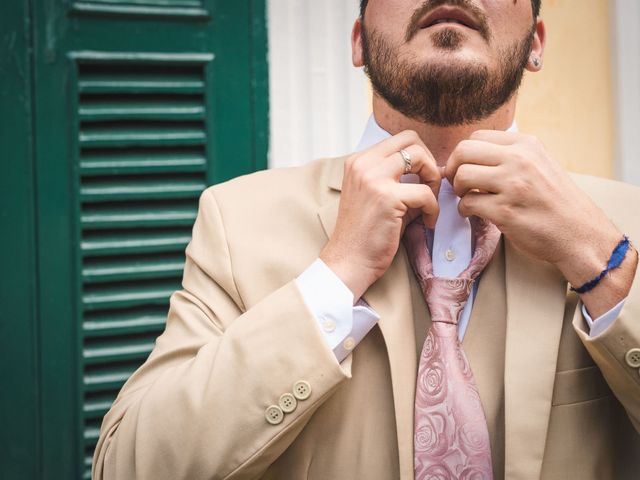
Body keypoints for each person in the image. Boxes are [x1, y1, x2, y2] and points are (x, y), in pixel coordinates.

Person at [92, 0, 640, 479]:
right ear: (359, 41)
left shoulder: (623, 225)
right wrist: (333, 277)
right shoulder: (235, 221)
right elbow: (127, 467)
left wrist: (605, 267)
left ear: (535, 45)